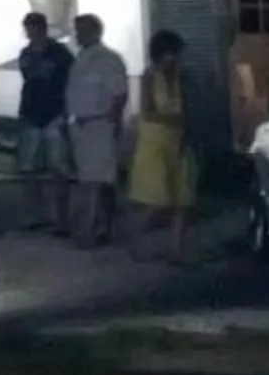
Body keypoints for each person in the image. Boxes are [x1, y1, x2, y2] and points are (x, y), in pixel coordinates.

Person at [126, 30, 199, 263]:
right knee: (158, 202)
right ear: (161, 53)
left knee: (183, 201)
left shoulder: (180, 76)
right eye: (172, 54)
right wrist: (174, 119)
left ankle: (176, 252)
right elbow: (146, 111)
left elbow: (187, 107)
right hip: (155, 141)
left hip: (179, 140)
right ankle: (135, 239)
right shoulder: (149, 75)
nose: (176, 58)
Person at [1, 13, 76, 232]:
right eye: (28, 30)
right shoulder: (27, 53)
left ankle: (60, 218)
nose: (30, 35)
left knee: (58, 169)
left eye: (33, 30)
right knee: (28, 168)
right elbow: (29, 75)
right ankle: (35, 214)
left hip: (53, 113)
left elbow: (67, 80)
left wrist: (65, 111)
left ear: (42, 29)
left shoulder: (60, 53)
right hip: (31, 114)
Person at [63, 14, 129, 248]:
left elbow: (119, 94)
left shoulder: (108, 59)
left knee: (98, 181)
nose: (77, 34)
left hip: (100, 124)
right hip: (81, 125)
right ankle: (98, 225)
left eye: (81, 30)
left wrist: (113, 121)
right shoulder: (81, 58)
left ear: (95, 32)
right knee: (90, 179)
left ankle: (95, 228)